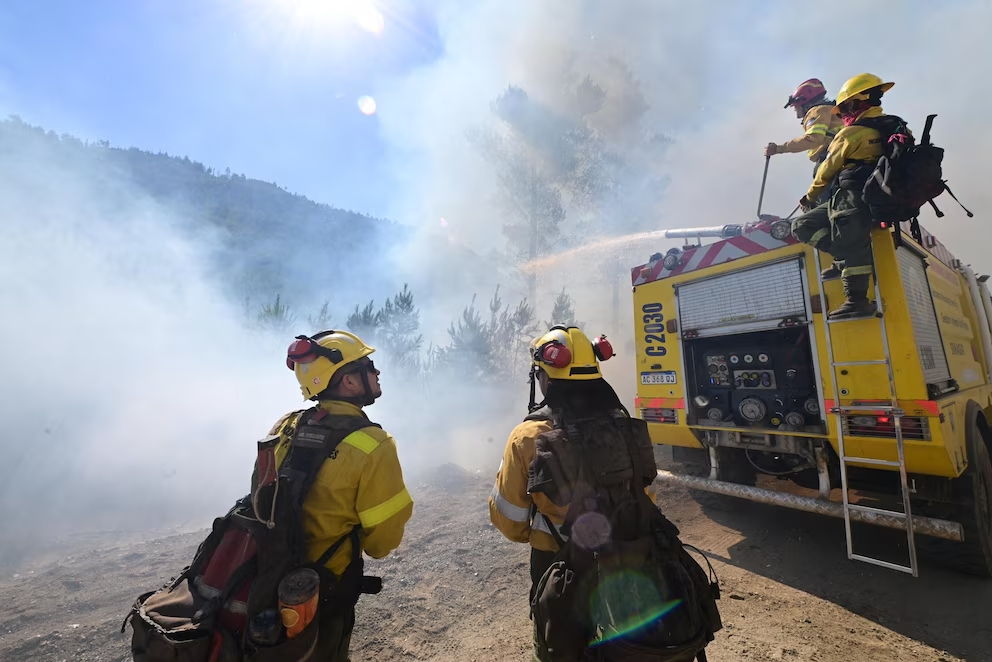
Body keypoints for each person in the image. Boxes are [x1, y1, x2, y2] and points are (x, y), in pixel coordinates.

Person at [489, 327, 719, 661]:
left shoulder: (528, 436)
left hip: (559, 565)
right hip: (636, 555)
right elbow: (647, 498)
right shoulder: (628, 427)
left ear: (545, 376)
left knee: (563, 646)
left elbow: (509, 521)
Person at [270, 329, 414, 661]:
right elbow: (381, 544)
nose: (376, 373)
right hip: (325, 592)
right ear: (348, 382)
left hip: (267, 575)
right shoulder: (374, 446)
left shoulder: (284, 426)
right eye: (369, 365)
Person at [791, 73, 898, 320]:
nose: (842, 114)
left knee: (823, 232)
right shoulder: (897, 126)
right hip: (885, 194)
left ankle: (857, 300)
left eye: (845, 107)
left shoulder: (851, 134)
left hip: (853, 196)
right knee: (835, 234)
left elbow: (827, 170)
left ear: (854, 103)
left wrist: (809, 197)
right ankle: (843, 259)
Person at [765, 78, 844, 198]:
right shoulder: (831, 110)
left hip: (829, 160)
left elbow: (813, 138)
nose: (795, 111)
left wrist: (779, 148)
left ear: (804, 102)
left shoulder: (816, 111)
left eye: (795, 106)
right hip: (840, 157)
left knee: (822, 203)